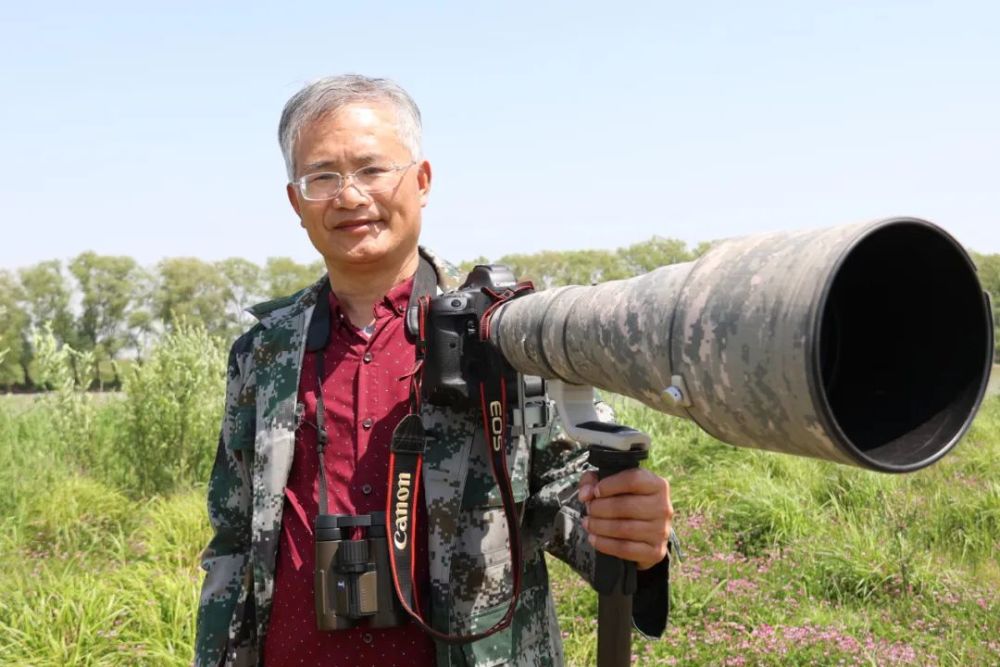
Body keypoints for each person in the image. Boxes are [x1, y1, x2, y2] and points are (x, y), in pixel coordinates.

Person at [194, 74, 675, 667]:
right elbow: (235, 539)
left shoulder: (506, 333)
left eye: (372, 170)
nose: (349, 196)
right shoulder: (261, 353)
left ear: (421, 182)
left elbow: (574, 499)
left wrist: (635, 535)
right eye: (323, 177)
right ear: (297, 203)